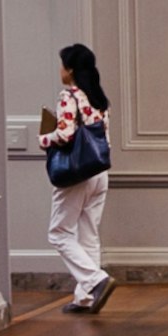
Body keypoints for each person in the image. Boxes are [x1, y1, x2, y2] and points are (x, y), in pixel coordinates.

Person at [36, 44, 116, 314]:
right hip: (99, 171)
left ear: (69, 69)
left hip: (76, 172)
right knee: (88, 234)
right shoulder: (98, 98)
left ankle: (95, 281)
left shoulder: (69, 96)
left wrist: (44, 139)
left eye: (62, 65)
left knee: (58, 233)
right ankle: (85, 298)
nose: (60, 70)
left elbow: (66, 134)